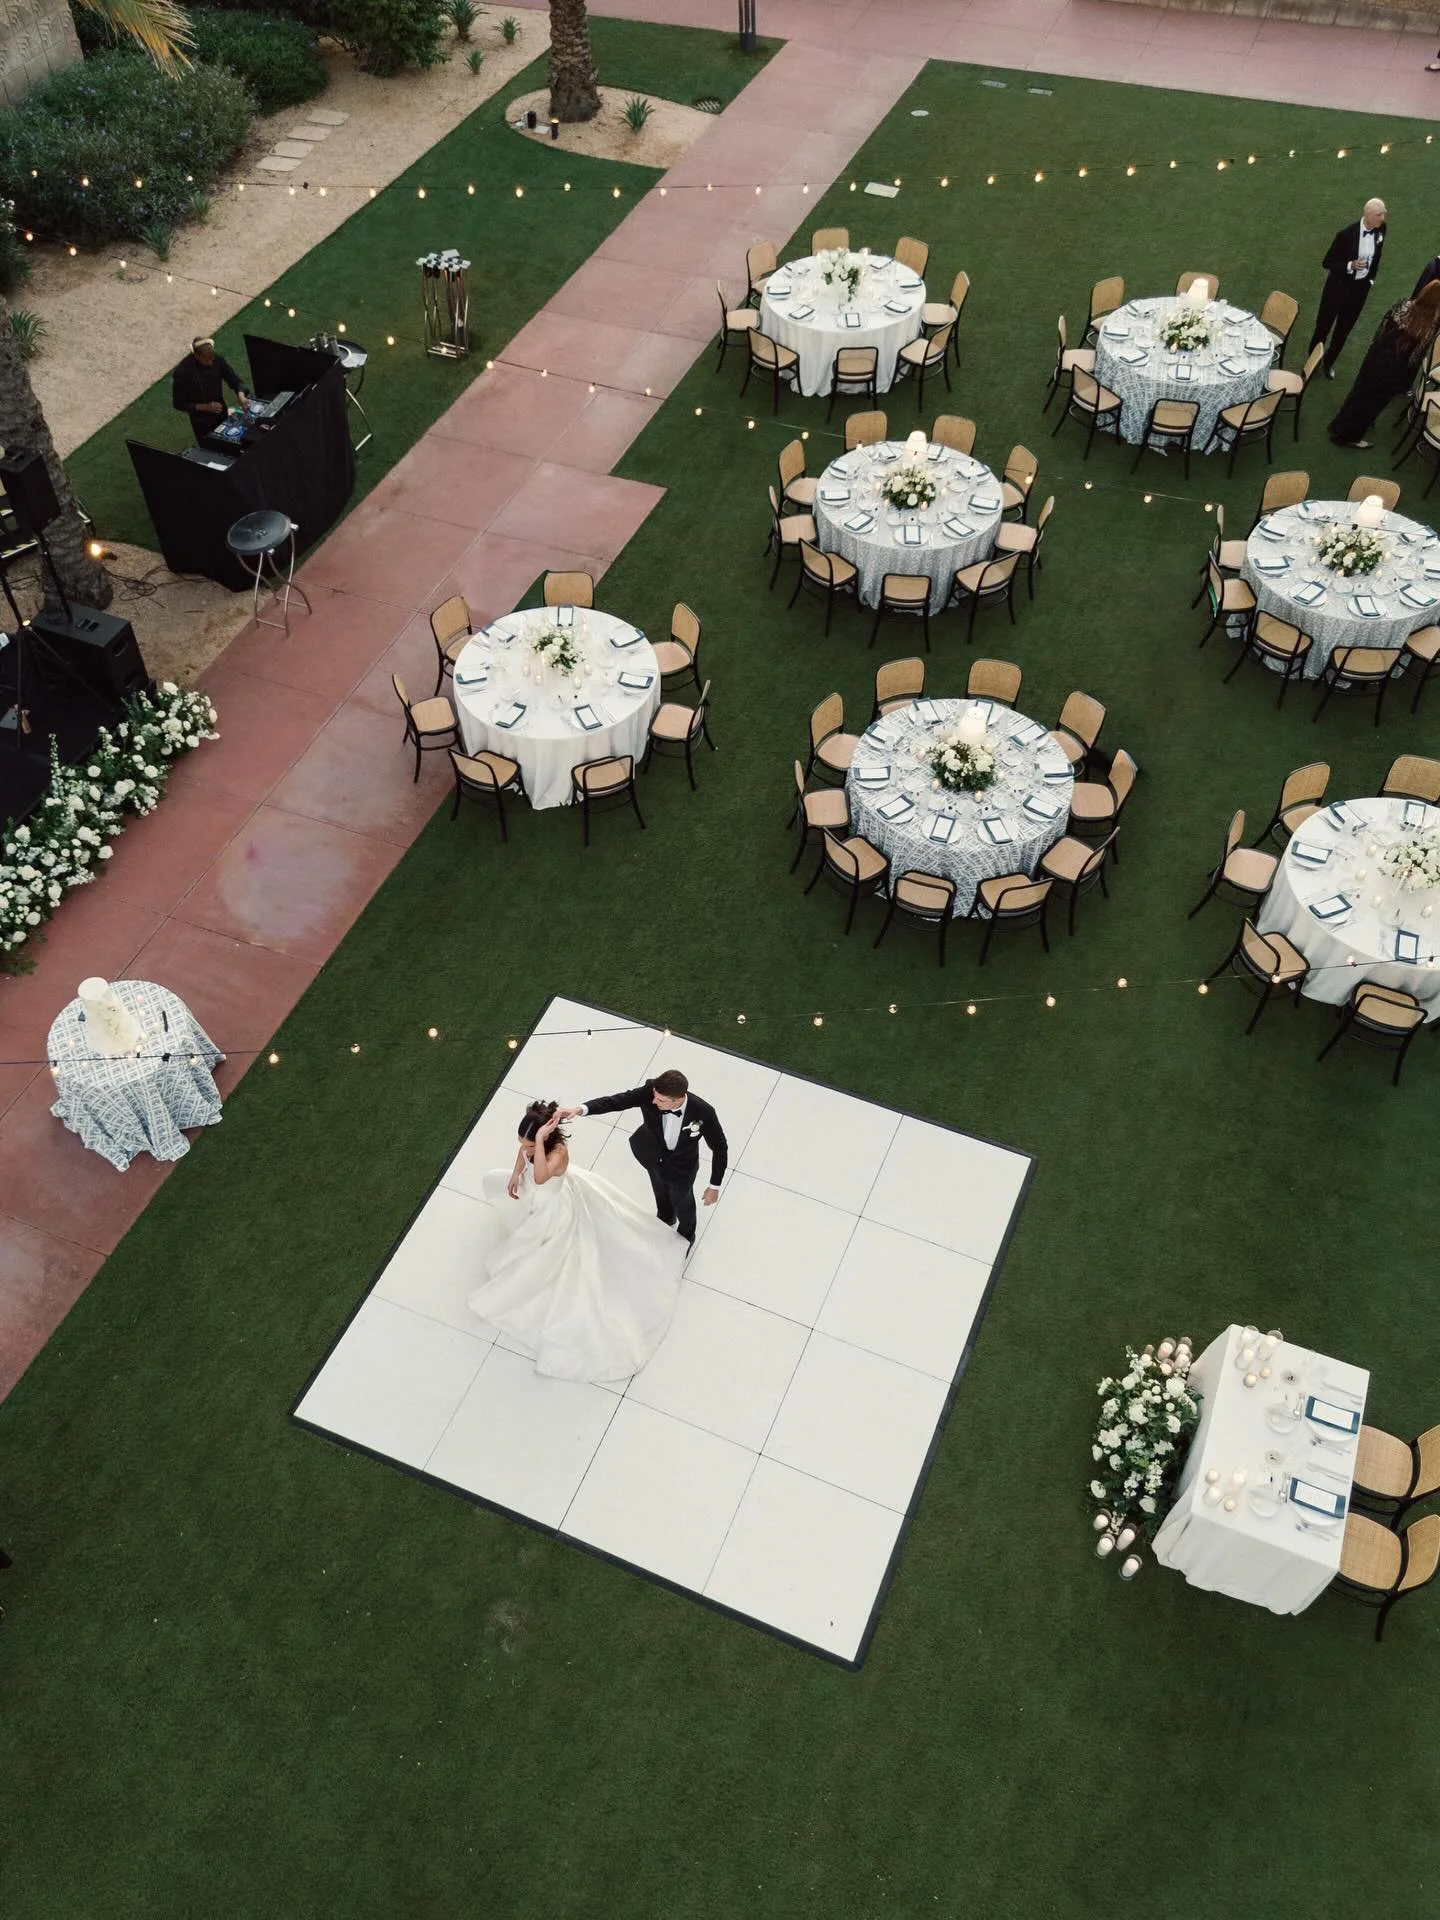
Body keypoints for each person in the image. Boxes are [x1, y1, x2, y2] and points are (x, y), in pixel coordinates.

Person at [467, 1100, 684, 1383]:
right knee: (501, 1189)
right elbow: (524, 1154)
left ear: (545, 1137)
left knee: (554, 1250)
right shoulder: (530, 1147)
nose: (527, 1148)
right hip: (536, 1195)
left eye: (532, 1144)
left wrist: (540, 1144)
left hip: (553, 1204)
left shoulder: (557, 1153)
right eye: (526, 1143)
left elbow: (543, 1177)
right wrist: (517, 1171)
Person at [558, 1069, 726, 1248]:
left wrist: (714, 1186)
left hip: (682, 1168)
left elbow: (720, 1147)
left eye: (660, 1100)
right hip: (652, 1156)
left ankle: (686, 1237)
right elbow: (617, 1101)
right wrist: (580, 1109)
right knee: (659, 1190)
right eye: (654, 1096)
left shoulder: (703, 1112)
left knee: (683, 1201)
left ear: (677, 1099)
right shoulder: (650, 1091)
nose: (654, 1101)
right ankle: (665, 1218)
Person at [1328, 279, 1440, 449]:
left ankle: (1339, 426)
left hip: (1376, 356)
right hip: (1393, 369)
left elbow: (1381, 329)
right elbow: (1415, 357)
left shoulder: (1403, 304)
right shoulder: (1429, 326)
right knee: (1374, 403)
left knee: (1359, 392)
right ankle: (1351, 437)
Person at [1309, 199, 1387, 378]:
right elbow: (1327, 262)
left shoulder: (1381, 229)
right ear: (1367, 215)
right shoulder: (1345, 235)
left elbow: (1378, 256)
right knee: (1323, 327)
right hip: (1337, 289)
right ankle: (1312, 364)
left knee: (1343, 330)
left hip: (1359, 291)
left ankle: (1328, 363)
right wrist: (1350, 265)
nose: (1382, 218)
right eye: (1379, 215)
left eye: (1383, 214)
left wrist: (1370, 280)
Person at [170, 336, 249, 443]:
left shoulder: (217, 359)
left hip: (221, 412)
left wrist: (241, 396)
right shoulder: (182, 373)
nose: (210, 363)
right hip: (201, 422)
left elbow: (235, 381)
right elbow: (179, 403)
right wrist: (206, 407)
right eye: (206, 360)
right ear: (196, 356)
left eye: (212, 359)